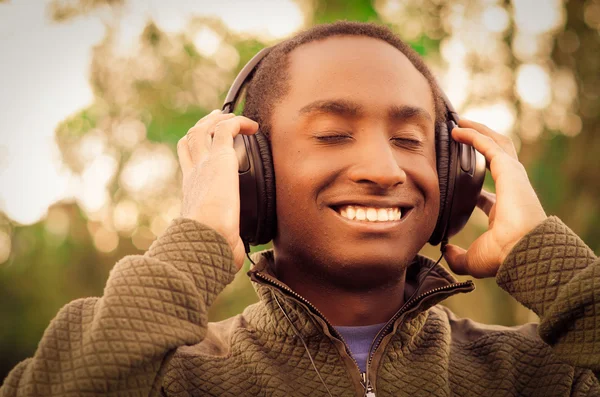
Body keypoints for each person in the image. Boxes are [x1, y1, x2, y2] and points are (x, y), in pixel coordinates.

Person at [1, 21, 599, 397]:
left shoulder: (540, 375)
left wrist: (548, 261)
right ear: (247, 170)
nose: (385, 169)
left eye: (411, 141)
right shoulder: (177, 379)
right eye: (333, 134)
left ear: (456, 172)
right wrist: (195, 246)